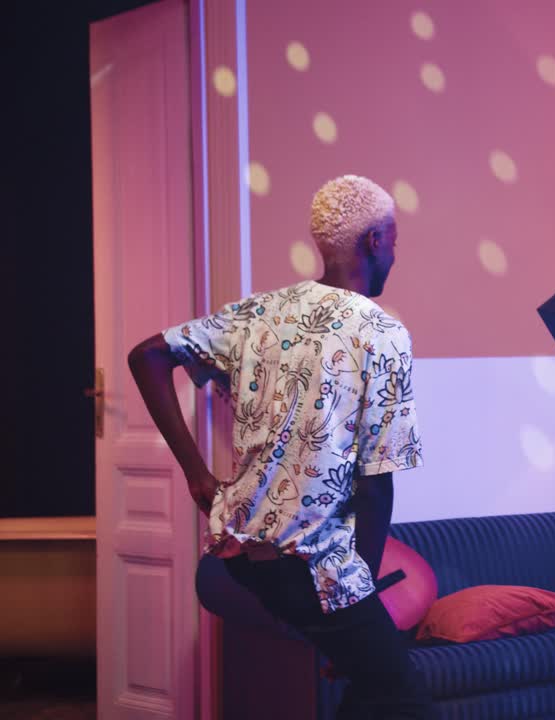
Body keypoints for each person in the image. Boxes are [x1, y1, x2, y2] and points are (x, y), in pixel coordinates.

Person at [128, 175, 431, 718]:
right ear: (375, 240)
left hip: (237, 555)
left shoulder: (258, 313)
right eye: (394, 239)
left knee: (371, 689)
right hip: (310, 561)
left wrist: (199, 476)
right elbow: (376, 481)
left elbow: (147, 356)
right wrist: (355, 591)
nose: (396, 253)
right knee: (404, 701)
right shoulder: (382, 333)